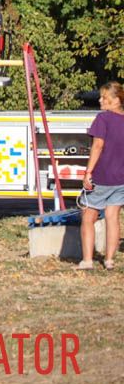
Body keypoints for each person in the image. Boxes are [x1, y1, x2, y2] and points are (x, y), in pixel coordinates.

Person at [79, 81, 124, 269]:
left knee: (88, 216)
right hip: (121, 178)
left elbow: (98, 146)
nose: (100, 100)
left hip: (103, 176)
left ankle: (87, 260)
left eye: (104, 97)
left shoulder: (103, 118)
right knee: (113, 217)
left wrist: (88, 172)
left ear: (116, 100)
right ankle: (109, 260)